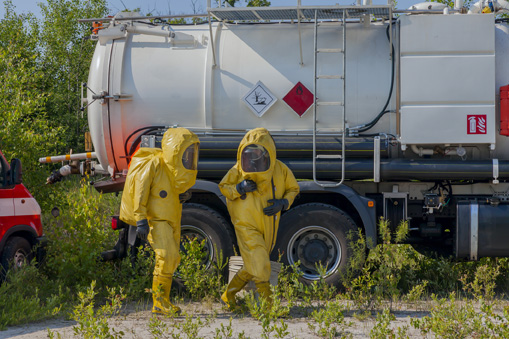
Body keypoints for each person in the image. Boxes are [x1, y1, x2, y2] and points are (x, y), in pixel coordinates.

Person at [120, 127, 199, 315]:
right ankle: (159, 302)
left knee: (172, 259)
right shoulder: (154, 164)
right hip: (157, 220)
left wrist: (183, 195)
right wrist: (140, 220)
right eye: (185, 152)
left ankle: (163, 300)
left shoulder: (173, 170)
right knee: (166, 256)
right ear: (175, 150)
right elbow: (140, 192)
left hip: (172, 218)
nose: (188, 157)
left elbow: (168, 193)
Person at [219, 127, 299, 309]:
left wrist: (283, 203)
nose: (254, 154)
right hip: (245, 223)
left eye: (258, 150)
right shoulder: (238, 170)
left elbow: (293, 189)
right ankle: (267, 307)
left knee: (252, 263)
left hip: (268, 225)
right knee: (261, 263)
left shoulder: (280, 169)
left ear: (267, 151)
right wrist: (239, 188)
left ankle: (228, 295)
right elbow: (224, 187)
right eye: (251, 150)